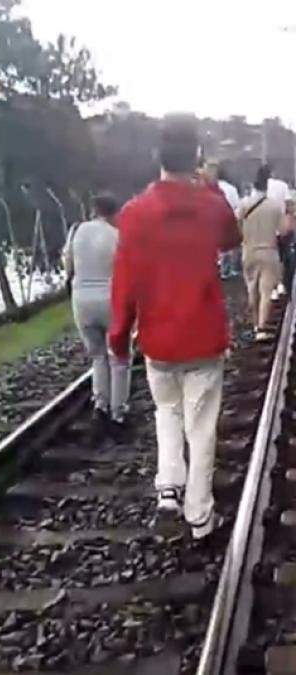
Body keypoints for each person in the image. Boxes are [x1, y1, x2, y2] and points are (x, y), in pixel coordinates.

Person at [109, 113, 241, 540]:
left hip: (158, 341)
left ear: (156, 157)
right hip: (203, 338)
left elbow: (125, 282)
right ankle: (199, 517)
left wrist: (118, 337)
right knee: (200, 428)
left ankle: (168, 487)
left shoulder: (134, 214)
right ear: (197, 158)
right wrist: (210, 184)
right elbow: (230, 237)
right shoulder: (209, 204)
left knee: (167, 411)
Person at [62, 192, 129, 433]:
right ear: (114, 213)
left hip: (82, 301)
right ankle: (118, 412)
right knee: (119, 358)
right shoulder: (118, 236)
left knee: (98, 356)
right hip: (110, 299)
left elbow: (67, 266)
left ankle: (100, 404)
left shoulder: (75, 231)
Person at [238, 165, 285, 341]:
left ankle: (255, 322)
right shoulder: (274, 207)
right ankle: (261, 328)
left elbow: (236, 226)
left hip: (248, 251)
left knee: (252, 290)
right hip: (269, 251)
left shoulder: (244, 205)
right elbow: (282, 230)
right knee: (266, 292)